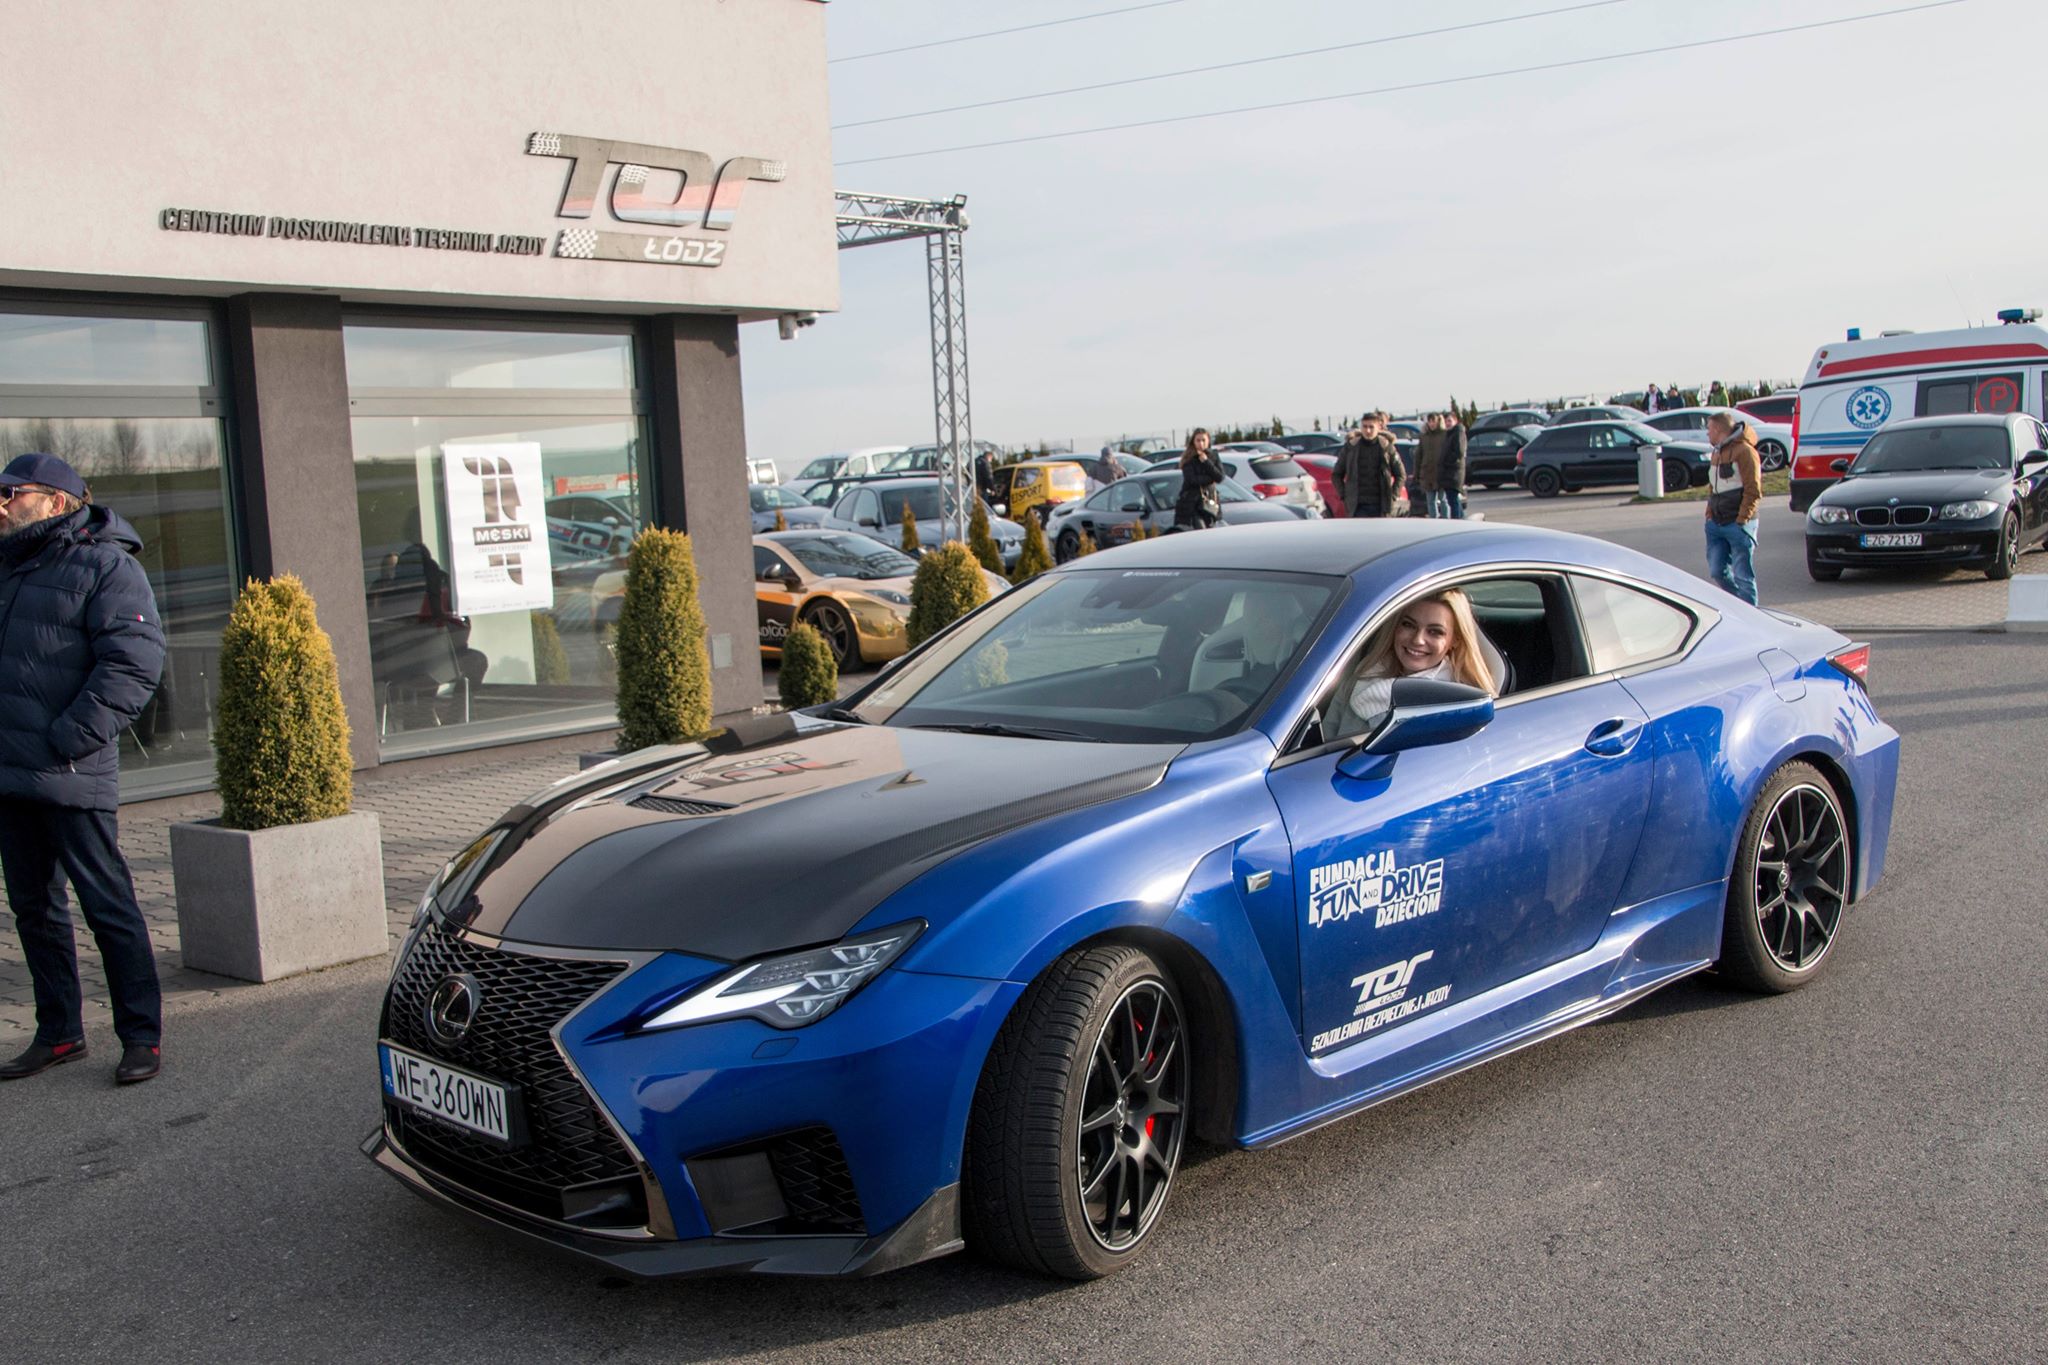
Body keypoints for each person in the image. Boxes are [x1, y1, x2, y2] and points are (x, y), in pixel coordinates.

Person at [0, 452, 166, 1085]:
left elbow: (133, 664)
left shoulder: (106, 566)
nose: (2, 502)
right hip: (11, 774)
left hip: (70, 772)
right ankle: (60, 1033)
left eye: (13, 491)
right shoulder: (9, 568)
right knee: (33, 910)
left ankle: (141, 1036)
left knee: (108, 906)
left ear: (58, 501)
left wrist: (68, 738)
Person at [1335, 588, 1497, 737]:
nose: (1418, 640)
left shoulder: (1461, 706)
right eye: (1409, 625)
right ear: (1395, 628)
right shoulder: (1363, 675)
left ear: (1455, 640)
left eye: (1435, 632)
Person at [1703, 411, 1763, 605]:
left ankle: (1751, 617)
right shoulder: (1717, 451)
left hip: (1738, 524)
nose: (1707, 433)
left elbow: (1753, 490)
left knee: (1743, 576)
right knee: (1717, 571)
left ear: (1719, 429)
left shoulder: (1744, 451)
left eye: (1709, 429)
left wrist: (1742, 519)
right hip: (1716, 522)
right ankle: (1739, 607)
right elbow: (1714, 485)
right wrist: (1709, 512)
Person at [1332, 413, 1405, 518]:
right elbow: (1336, 475)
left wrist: (1393, 496)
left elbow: (1401, 475)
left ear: (1378, 427)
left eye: (1371, 427)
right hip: (1357, 507)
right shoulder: (1351, 447)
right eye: (1365, 427)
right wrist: (1344, 495)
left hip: (1380, 506)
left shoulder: (1386, 447)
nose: (1368, 431)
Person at [1171, 428, 1225, 530]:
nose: (1201, 443)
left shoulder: (1213, 456)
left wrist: (1206, 462)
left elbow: (1220, 477)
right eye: (1198, 440)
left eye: (1203, 440)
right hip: (1192, 504)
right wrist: (1211, 478)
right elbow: (1192, 480)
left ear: (1208, 440)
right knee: (1200, 531)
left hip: (1210, 502)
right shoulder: (1189, 458)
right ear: (1193, 442)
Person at [1439, 409, 1468, 521]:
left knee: (1453, 500)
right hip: (1449, 474)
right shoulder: (1449, 434)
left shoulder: (1458, 432)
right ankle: (1461, 520)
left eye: (1450, 421)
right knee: (1452, 500)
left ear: (1455, 421)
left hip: (1454, 473)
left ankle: (1459, 521)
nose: (1447, 423)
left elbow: (1459, 452)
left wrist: (1447, 462)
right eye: (1446, 421)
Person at [1416, 414, 1445, 518]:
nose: (1432, 424)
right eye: (1430, 421)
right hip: (1427, 473)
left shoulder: (1444, 435)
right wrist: (1417, 474)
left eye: (1434, 421)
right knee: (1431, 501)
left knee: (1443, 500)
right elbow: (1418, 456)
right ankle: (1434, 521)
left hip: (1441, 473)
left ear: (1438, 421)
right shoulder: (1424, 437)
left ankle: (1447, 521)